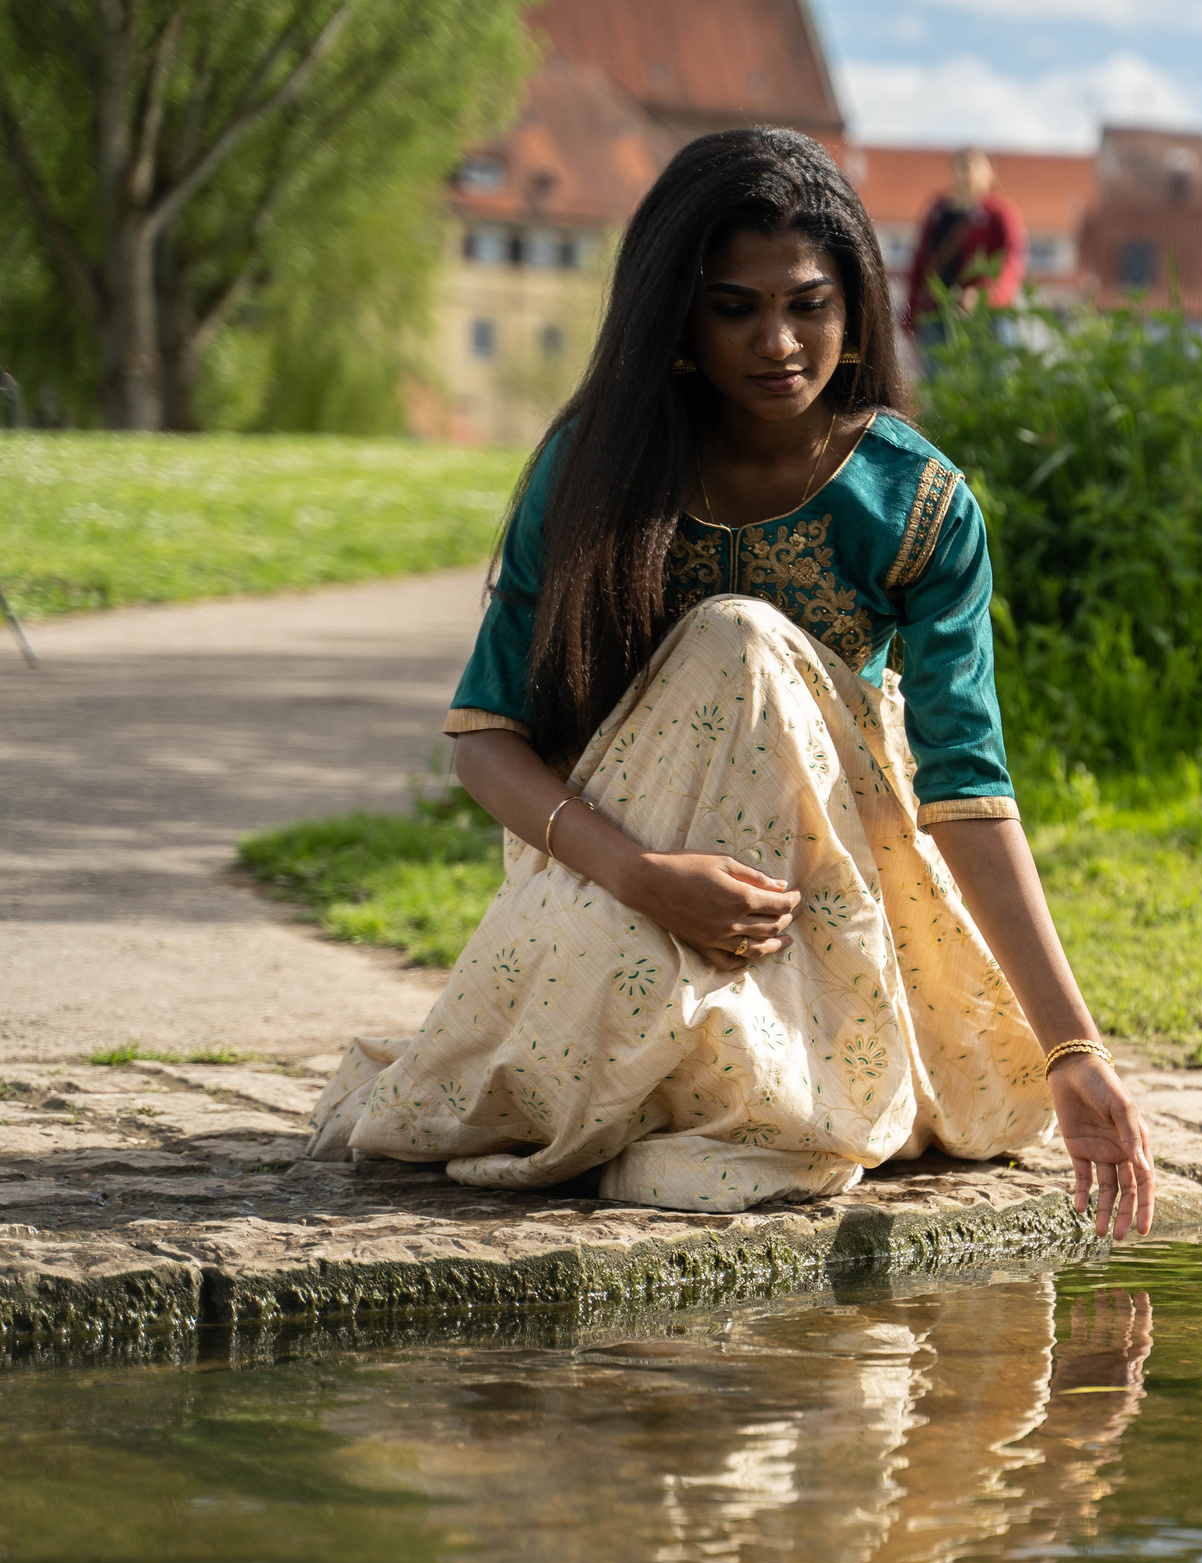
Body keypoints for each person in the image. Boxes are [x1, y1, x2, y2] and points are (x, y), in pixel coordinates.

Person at [309, 127, 1153, 1238]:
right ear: (677, 317)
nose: (779, 342)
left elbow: (964, 783)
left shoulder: (918, 504)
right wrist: (644, 876)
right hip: (625, 865)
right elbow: (483, 737)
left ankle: (776, 1070)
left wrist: (1072, 1048)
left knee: (742, 641)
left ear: (854, 307)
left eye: (808, 304)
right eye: (733, 307)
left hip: (840, 889)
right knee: (729, 642)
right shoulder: (597, 469)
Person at [902, 147, 1025, 354]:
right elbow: (920, 265)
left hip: (986, 315)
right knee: (940, 381)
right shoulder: (937, 212)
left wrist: (984, 294)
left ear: (989, 172)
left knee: (996, 377)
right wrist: (910, 315)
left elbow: (1011, 260)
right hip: (937, 313)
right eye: (961, 165)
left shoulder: (999, 213)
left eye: (974, 165)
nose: (967, 171)